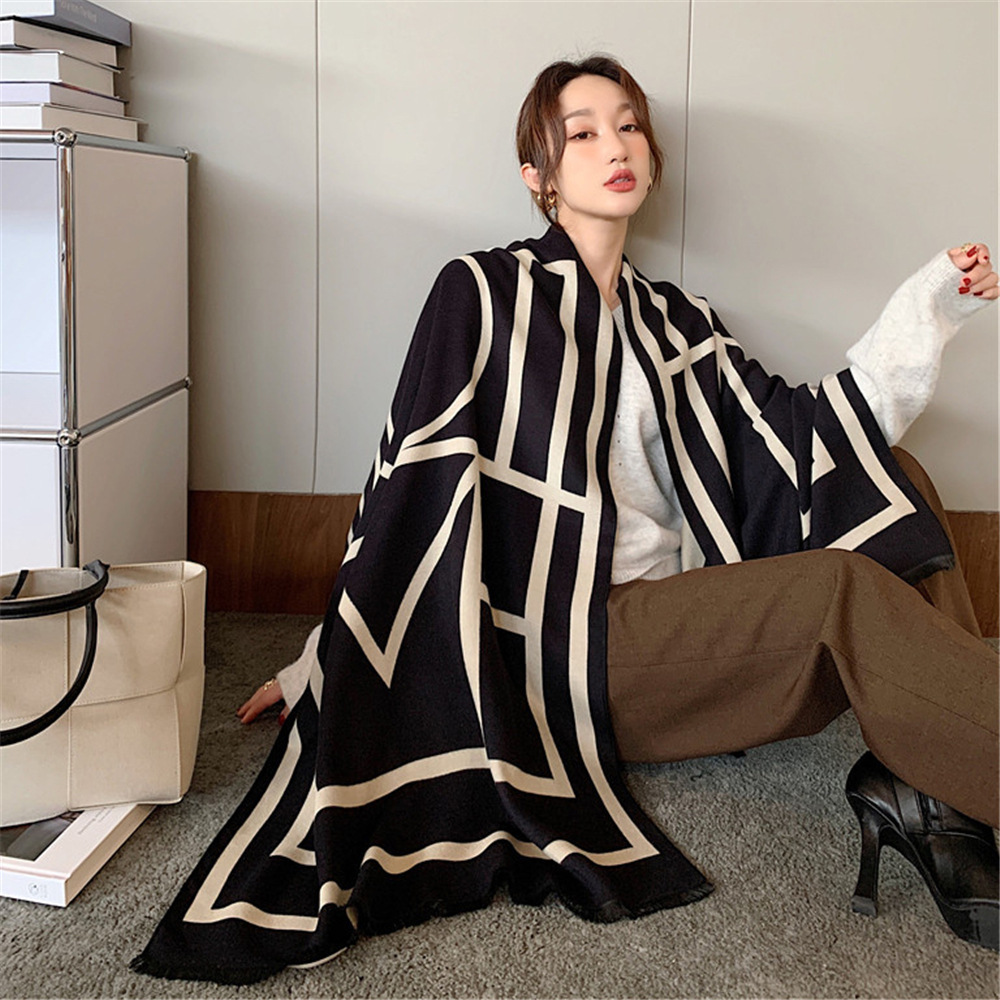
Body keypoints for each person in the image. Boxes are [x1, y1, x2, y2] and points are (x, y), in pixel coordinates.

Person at [138, 56, 998, 984]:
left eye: (628, 126)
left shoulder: (679, 323)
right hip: (573, 651)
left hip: (682, 620)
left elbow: (804, 443)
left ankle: (933, 793)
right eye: (581, 133)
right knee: (838, 590)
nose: (614, 146)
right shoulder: (481, 294)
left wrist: (931, 309)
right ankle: (953, 768)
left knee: (891, 475)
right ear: (538, 175)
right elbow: (410, 494)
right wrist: (322, 661)